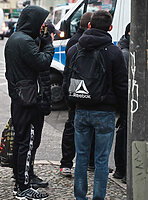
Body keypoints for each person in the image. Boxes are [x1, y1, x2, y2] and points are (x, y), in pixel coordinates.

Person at [63, 10, 127, 199]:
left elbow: (67, 81)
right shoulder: (114, 52)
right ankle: (98, 197)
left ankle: (80, 197)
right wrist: (123, 112)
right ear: (110, 28)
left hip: (81, 110)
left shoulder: (74, 49)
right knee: (101, 160)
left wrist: (72, 106)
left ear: (89, 26)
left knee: (81, 158)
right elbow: (122, 86)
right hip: (105, 112)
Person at [5, 5, 54, 200]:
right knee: (27, 142)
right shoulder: (25, 41)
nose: (43, 26)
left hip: (19, 98)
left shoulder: (15, 39)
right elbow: (42, 62)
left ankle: (20, 183)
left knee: (20, 141)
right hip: (28, 101)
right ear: (33, 22)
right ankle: (24, 187)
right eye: (40, 22)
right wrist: (48, 44)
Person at [60, 12, 94, 177]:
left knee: (73, 125)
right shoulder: (77, 42)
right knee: (75, 126)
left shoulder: (73, 41)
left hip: (74, 87)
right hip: (82, 88)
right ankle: (71, 162)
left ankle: (67, 163)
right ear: (89, 25)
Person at [113, 23, 130, 184]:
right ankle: (122, 169)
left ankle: (121, 169)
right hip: (128, 102)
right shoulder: (125, 54)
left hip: (126, 101)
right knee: (125, 133)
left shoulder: (123, 50)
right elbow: (123, 82)